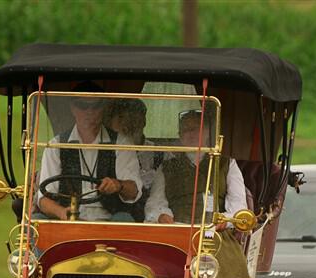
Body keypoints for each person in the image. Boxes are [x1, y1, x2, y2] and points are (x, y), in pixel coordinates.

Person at [37, 82, 141, 221]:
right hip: (68, 219)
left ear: (103, 107)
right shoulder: (56, 145)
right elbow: (43, 199)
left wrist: (118, 185)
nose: (89, 111)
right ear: (73, 108)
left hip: (110, 220)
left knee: (124, 219)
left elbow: (133, 191)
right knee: (36, 222)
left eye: (95, 106)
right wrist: (61, 212)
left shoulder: (121, 143)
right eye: (83, 106)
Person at [146, 108, 248, 225]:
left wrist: (224, 221)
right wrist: (161, 215)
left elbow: (239, 206)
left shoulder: (227, 164)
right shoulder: (166, 168)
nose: (190, 134)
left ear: (207, 131)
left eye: (195, 129)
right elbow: (155, 202)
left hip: (214, 231)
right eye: (185, 130)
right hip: (177, 228)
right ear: (180, 135)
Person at [104, 99, 164, 222]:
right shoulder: (102, 151)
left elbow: (160, 197)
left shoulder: (159, 154)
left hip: (150, 219)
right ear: (110, 122)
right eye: (121, 117)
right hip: (112, 218)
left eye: (134, 117)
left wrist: (159, 216)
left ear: (144, 121)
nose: (127, 124)